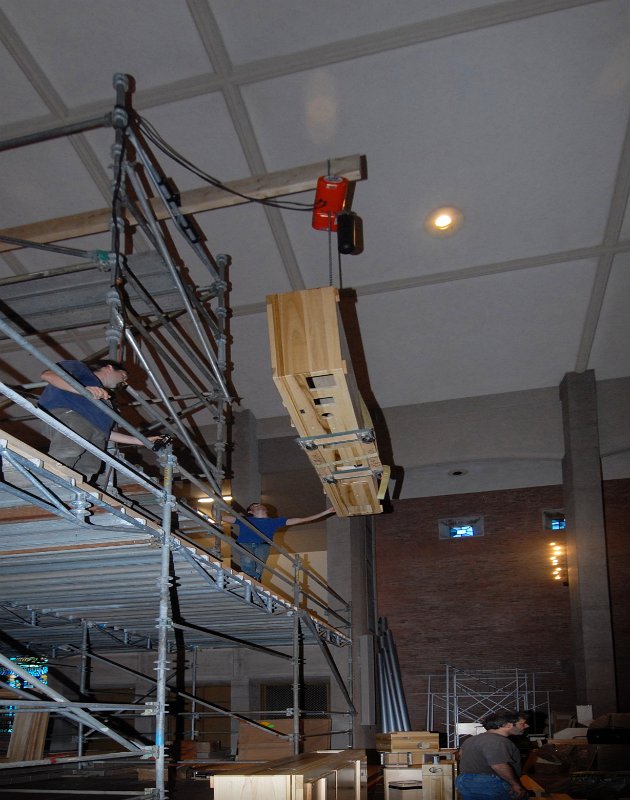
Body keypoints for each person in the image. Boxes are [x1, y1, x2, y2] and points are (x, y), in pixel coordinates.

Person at [38, 359, 159, 484]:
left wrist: (139, 441)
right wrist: (83, 390)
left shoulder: (105, 400)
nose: (124, 381)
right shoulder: (81, 369)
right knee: (70, 450)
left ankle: (76, 494)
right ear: (109, 367)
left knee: (89, 468)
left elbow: (105, 432)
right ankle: (50, 481)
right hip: (70, 414)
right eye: (123, 375)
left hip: (95, 433)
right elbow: (48, 375)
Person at [222, 502, 335, 580]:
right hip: (245, 544)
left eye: (260, 505)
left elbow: (303, 519)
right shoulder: (244, 520)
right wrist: (215, 505)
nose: (258, 506)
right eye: (255, 506)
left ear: (265, 509)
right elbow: (221, 517)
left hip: (263, 545)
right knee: (247, 561)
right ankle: (250, 578)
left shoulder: (275, 521)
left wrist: (326, 512)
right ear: (250, 511)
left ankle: (254, 579)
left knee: (259, 568)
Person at [455, 710, 530, 800]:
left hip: (465, 780)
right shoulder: (497, 741)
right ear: (507, 725)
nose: (526, 726)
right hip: (489, 783)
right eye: (522, 724)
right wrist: (515, 784)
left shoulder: (472, 739)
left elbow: (461, 755)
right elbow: (499, 765)